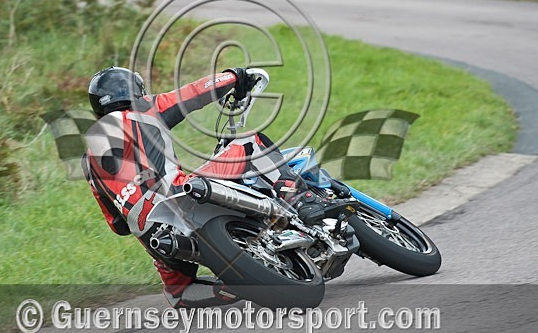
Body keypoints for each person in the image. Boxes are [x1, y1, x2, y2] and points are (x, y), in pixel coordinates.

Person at [81, 66, 346, 308]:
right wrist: (236, 76)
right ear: (136, 91)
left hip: (157, 236)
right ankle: (303, 198)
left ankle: (235, 285)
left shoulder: (88, 162)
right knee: (248, 142)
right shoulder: (141, 110)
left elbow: (118, 225)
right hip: (182, 194)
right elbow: (193, 94)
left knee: (179, 295)